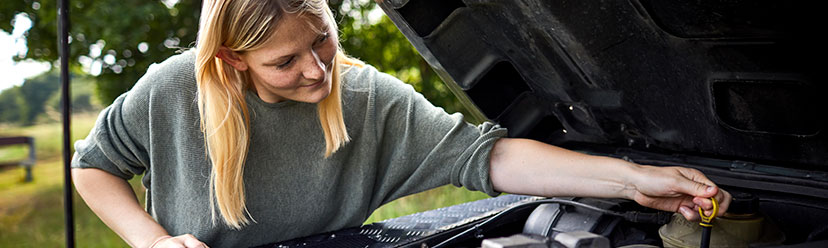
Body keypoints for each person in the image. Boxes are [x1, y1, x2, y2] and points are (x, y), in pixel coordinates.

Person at [71, 0, 732, 247]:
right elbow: (92, 166)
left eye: (323, 40)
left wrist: (629, 178)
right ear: (231, 61)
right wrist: (151, 242)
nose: (317, 70)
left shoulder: (364, 95)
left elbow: (491, 160)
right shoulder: (170, 91)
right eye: (283, 62)